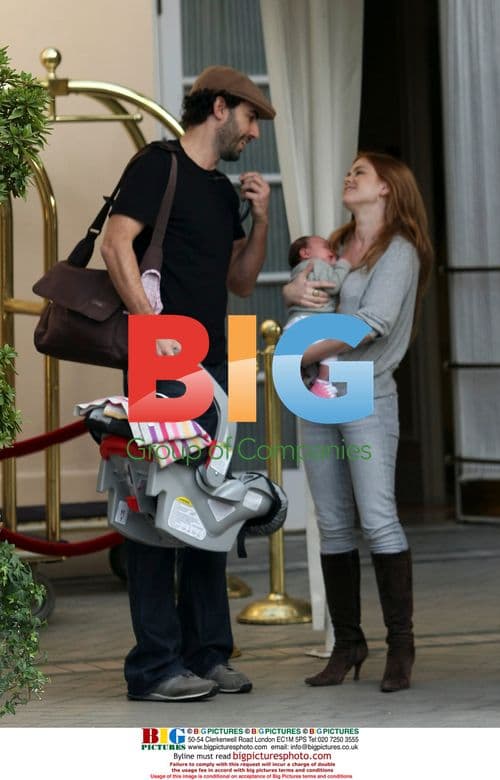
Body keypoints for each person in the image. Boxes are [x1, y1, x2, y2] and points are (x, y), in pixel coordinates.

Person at [101, 66, 276, 702]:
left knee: (211, 509)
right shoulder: (157, 165)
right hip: (160, 368)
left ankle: (208, 655)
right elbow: (116, 247)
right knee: (153, 518)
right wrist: (154, 333)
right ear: (220, 107)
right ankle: (153, 667)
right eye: (251, 118)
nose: (254, 132)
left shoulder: (223, 190)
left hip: (219, 366)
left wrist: (260, 221)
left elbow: (240, 282)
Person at [282, 152, 433, 693]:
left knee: (378, 519)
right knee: (334, 521)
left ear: (388, 188)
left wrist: (297, 356)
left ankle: (401, 646)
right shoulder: (334, 245)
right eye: (348, 170)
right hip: (319, 391)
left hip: (364, 390)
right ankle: (348, 644)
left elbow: (372, 323)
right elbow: (303, 294)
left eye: (361, 172)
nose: (349, 176)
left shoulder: (400, 250)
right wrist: (293, 292)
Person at [285, 235, 351, 398]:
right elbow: (333, 285)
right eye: (326, 246)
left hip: (298, 322)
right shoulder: (316, 265)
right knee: (331, 348)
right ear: (306, 252)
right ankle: (322, 381)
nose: (332, 250)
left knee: (313, 359)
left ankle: (310, 380)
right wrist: (344, 264)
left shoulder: (299, 272)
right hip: (311, 322)